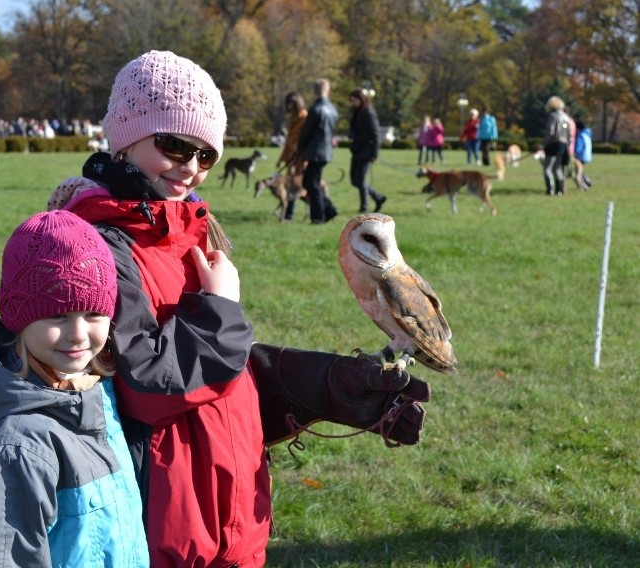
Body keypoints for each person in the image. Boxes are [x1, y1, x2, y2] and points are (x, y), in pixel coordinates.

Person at [46, 50, 430, 567]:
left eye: (207, 155)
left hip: (230, 510)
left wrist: (320, 384)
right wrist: (219, 307)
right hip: (162, 526)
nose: (191, 167)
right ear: (125, 137)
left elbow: (221, 375)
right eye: (175, 144)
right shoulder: (100, 243)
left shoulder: (188, 225)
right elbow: (146, 387)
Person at [0, 209, 149, 567]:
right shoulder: (16, 451)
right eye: (57, 315)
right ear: (18, 319)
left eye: (93, 314)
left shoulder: (96, 393)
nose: (78, 334)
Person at [298, 78, 340, 224]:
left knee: (312, 184)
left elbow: (306, 132)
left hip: (315, 151)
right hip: (326, 150)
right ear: (327, 91)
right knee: (311, 182)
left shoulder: (315, 109)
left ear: (314, 91)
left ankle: (318, 217)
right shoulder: (333, 109)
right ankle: (328, 210)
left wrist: (300, 149)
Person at [347, 88, 386, 213]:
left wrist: (375, 153)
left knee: (361, 179)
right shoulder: (357, 113)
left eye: (354, 101)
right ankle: (378, 197)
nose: (352, 103)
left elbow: (375, 134)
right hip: (357, 150)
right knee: (354, 180)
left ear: (361, 100)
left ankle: (364, 207)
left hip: (366, 151)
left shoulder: (368, 113)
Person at [276, 91, 308, 221]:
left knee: (296, 187)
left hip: (298, 158)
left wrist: (299, 156)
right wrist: (281, 159)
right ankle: (288, 213)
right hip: (291, 158)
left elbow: (301, 141)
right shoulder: (294, 118)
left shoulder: (304, 117)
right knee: (295, 187)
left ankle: (288, 214)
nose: (287, 107)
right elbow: (289, 142)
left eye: (289, 104)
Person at [541, 95, 572, 196]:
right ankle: (560, 190)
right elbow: (568, 133)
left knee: (547, 168)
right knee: (557, 168)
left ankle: (550, 189)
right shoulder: (565, 117)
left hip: (553, 144)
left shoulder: (553, 116)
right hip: (563, 144)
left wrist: (543, 144)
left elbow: (551, 131)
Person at [573, 118, 593, 190]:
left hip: (581, 155)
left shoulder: (581, 135)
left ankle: (585, 182)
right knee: (580, 170)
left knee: (578, 170)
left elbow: (579, 147)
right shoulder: (587, 134)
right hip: (587, 155)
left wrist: (574, 153)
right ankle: (586, 181)